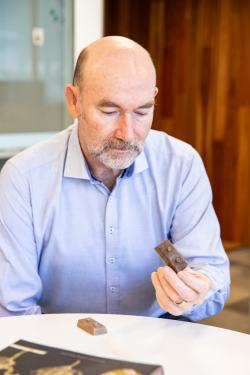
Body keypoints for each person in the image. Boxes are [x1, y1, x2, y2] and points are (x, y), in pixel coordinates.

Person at [0, 36, 230, 320]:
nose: (127, 133)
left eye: (142, 111)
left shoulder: (180, 166)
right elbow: (14, 309)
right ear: (74, 101)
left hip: (158, 342)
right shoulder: (24, 178)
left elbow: (212, 273)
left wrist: (198, 290)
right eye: (110, 111)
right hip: (59, 348)